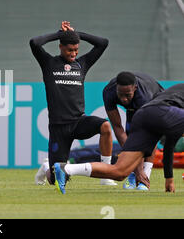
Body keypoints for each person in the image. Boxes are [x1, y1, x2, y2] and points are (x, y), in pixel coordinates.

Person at [53, 83, 184, 194]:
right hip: (159, 113)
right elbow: (169, 144)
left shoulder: (174, 96)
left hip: (142, 115)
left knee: (120, 172)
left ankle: (67, 169)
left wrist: (167, 178)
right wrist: (169, 178)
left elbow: (169, 142)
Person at [29, 21, 115, 186]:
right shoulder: (49, 63)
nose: (74, 53)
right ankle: (47, 166)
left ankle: (106, 173)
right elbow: (34, 42)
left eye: (76, 49)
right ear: (60, 47)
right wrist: (59, 34)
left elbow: (103, 43)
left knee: (105, 126)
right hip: (58, 127)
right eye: (70, 49)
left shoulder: (81, 64)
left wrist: (77, 34)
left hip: (78, 122)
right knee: (56, 179)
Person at [103, 71, 164, 190]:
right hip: (135, 105)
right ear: (116, 88)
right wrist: (135, 169)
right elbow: (117, 127)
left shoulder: (144, 97)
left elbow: (145, 137)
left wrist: (140, 171)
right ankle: (134, 173)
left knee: (150, 135)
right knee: (130, 133)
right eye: (120, 95)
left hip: (156, 100)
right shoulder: (108, 92)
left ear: (135, 88)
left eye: (127, 95)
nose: (124, 99)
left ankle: (145, 178)